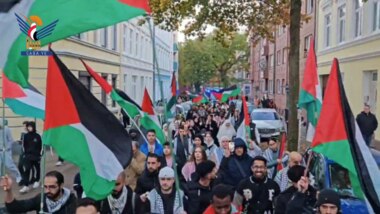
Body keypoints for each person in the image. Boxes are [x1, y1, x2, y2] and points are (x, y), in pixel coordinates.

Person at [1, 170, 77, 213]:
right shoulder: (41, 199)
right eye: (45, 187)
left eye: (52, 187)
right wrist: (9, 191)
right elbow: (15, 208)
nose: (48, 190)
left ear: (61, 185)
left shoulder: (73, 204)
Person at [20, 121, 42, 193]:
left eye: (31, 126)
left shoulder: (37, 136)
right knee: (27, 169)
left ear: (33, 127)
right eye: (28, 127)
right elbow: (24, 146)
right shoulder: (25, 136)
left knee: (36, 168)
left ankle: (37, 180)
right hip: (28, 156)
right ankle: (26, 185)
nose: (29, 128)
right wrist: (25, 154)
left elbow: (40, 146)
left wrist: (40, 154)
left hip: (36, 156)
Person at [0, 118, 22, 186]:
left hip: (6, 150)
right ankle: (2, 179)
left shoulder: (6, 129)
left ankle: (18, 176)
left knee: (9, 165)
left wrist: (7, 148)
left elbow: (11, 140)